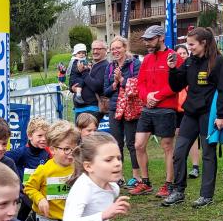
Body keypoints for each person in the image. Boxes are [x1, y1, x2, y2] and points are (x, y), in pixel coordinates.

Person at [163, 27, 223, 208]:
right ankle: (178, 191)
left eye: (192, 44)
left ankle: (206, 196)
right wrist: (172, 70)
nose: (189, 47)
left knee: (208, 155)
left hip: (209, 116)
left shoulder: (221, 63)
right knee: (179, 152)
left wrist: (221, 116)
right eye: (188, 44)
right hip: (190, 114)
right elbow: (177, 86)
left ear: (204, 43)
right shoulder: (190, 62)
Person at [132, 25, 179, 198]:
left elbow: (176, 84)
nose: (147, 43)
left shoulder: (173, 56)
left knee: (167, 146)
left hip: (166, 108)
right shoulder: (147, 59)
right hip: (148, 108)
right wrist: (147, 97)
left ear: (161, 38)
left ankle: (169, 184)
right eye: (145, 40)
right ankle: (145, 182)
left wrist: (157, 96)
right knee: (138, 145)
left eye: (150, 39)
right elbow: (140, 83)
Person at [103, 36, 142, 188]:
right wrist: (114, 84)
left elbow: (137, 86)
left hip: (130, 108)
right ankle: (118, 176)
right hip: (114, 109)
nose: (115, 51)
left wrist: (122, 80)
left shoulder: (135, 64)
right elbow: (106, 91)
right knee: (116, 144)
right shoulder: (109, 67)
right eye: (113, 49)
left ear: (125, 48)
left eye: (118, 48)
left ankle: (136, 176)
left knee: (132, 143)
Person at [5, 117, 50, 221]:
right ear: (30, 136)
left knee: (25, 214)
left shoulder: (46, 153)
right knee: (37, 210)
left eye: (46, 136)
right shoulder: (21, 152)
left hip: (38, 190)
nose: (44, 139)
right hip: (26, 191)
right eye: (40, 136)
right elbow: (3, 159)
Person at [175, 45, 201, 179]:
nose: (182, 55)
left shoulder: (192, 67)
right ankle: (180, 166)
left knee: (192, 137)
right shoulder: (174, 70)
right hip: (176, 109)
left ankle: (195, 166)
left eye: (184, 53)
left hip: (189, 108)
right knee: (179, 137)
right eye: (179, 53)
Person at [69, 40, 109, 120]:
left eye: (98, 49)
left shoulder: (105, 65)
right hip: (79, 109)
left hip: (91, 109)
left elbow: (96, 86)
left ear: (105, 51)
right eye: (93, 49)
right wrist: (72, 88)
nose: (95, 51)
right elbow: (74, 80)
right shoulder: (91, 64)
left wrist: (84, 72)